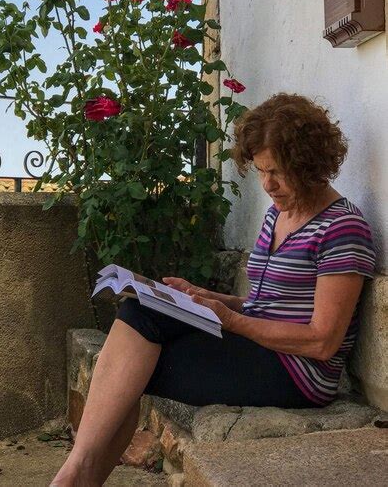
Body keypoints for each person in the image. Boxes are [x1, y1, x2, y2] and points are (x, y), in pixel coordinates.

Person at [50, 93, 375, 487]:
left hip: (297, 372)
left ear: (309, 164)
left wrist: (233, 320)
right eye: (260, 171)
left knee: (131, 369)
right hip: (260, 345)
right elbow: (265, 304)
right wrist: (205, 297)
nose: (267, 185)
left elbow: (323, 341)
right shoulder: (279, 214)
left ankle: (74, 476)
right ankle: (77, 474)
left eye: (277, 172)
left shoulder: (342, 228)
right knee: (139, 313)